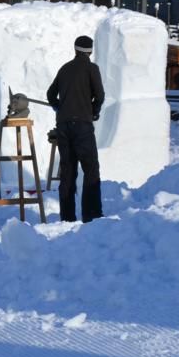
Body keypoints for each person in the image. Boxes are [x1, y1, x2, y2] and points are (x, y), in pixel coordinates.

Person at [46, 35, 105, 223]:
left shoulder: (64, 69)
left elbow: (50, 94)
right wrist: (94, 111)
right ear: (90, 51)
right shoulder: (91, 68)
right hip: (82, 126)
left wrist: (58, 106)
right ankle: (91, 214)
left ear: (75, 49)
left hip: (63, 126)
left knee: (68, 170)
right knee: (91, 168)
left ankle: (67, 216)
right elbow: (100, 95)